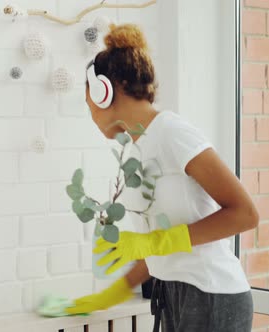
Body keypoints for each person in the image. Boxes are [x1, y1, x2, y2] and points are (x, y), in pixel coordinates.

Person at [64, 24, 258, 332]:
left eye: (89, 105)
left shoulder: (172, 133)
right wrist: (112, 294)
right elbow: (160, 245)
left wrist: (152, 241)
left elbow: (246, 214)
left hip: (212, 294)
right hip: (172, 293)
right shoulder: (139, 147)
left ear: (103, 92)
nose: (91, 116)